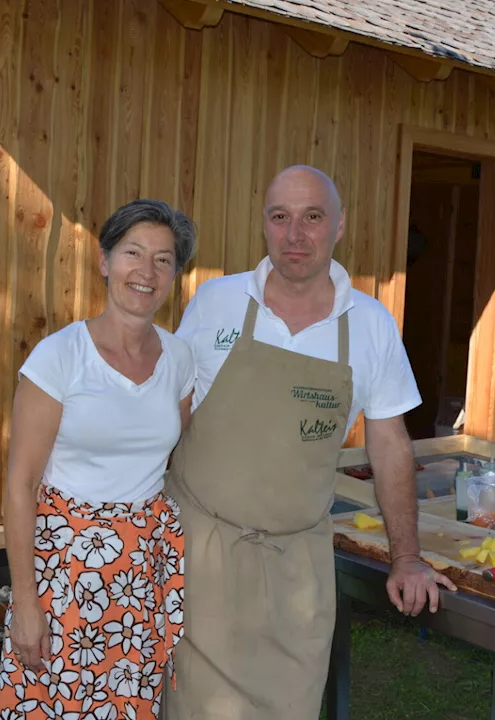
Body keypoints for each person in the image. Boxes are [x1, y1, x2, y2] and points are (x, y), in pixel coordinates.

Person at [164, 165, 458, 718]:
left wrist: (408, 557)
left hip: (297, 570)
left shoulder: (370, 324)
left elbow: (390, 445)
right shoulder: (215, 302)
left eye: (312, 217)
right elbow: (170, 417)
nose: (295, 234)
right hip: (199, 557)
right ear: (264, 226)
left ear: (339, 226)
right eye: (281, 217)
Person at [0, 199, 198, 719]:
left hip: (140, 573)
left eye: (162, 259)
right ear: (105, 261)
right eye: (132, 252)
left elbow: (176, 453)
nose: (145, 271)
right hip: (64, 572)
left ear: (175, 274)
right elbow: (20, 484)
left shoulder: (179, 359)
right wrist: (25, 602)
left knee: (128, 706)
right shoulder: (60, 357)